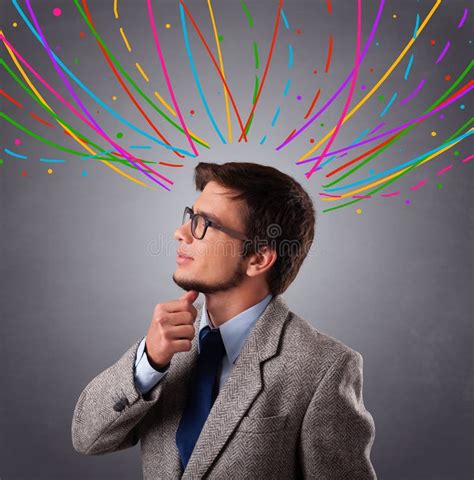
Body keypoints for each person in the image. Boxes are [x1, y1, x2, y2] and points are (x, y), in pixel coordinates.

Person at [71, 161, 377, 479]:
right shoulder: (166, 346)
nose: (180, 233)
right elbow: (87, 439)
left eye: (204, 223)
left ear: (258, 258)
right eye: (191, 216)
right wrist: (149, 361)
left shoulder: (322, 367)